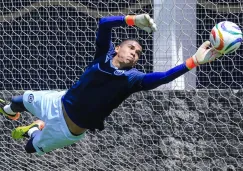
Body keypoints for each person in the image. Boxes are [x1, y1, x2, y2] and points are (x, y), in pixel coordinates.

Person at [0, 14, 222, 155]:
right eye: (131, 48)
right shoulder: (103, 56)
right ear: (117, 48)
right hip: (57, 102)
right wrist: (133, 20)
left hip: (67, 130)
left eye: (138, 54)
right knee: (17, 101)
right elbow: (104, 23)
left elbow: (163, 77)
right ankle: (8, 112)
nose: (135, 54)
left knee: (30, 148)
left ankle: (33, 130)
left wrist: (193, 61)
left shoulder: (132, 79)